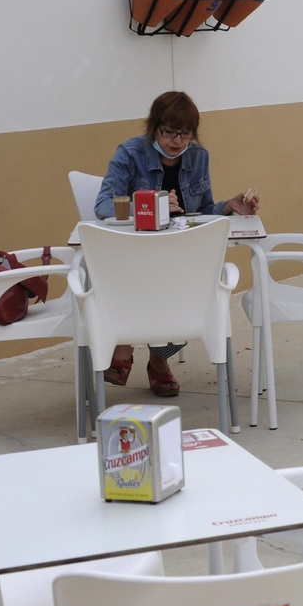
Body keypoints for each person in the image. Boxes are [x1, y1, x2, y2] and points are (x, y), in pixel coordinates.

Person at [95, 91, 259, 396]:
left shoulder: (199, 156)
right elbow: (104, 205)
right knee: (151, 274)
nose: (177, 141)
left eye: (185, 133)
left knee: (185, 274)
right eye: (168, 131)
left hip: (181, 253)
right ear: (153, 128)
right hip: (135, 253)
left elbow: (202, 209)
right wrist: (150, 204)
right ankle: (147, 355)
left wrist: (228, 206)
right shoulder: (129, 153)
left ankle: (144, 352)